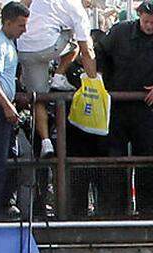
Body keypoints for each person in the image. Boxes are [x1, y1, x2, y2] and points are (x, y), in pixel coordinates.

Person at [95, 0, 153, 216]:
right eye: (146, 21)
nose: (150, 26)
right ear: (139, 16)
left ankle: (150, 210)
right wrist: (99, 78)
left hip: (147, 106)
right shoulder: (120, 32)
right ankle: (112, 211)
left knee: (148, 159)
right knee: (113, 159)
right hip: (116, 105)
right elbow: (100, 52)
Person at [17, 0, 97, 157]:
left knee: (38, 98)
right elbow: (86, 49)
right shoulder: (76, 7)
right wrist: (93, 81)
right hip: (48, 46)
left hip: (25, 48)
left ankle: (46, 142)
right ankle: (59, 76)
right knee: (76, 40)